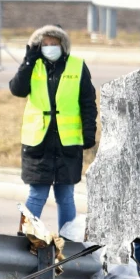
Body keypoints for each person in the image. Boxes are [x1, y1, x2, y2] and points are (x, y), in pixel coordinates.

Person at [9, 25, 97, 234]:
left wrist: (89, 131)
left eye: (54, 43)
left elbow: (88, 102)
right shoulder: (33, 65)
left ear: (62, 45)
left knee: (65, 196)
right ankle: (26, 238)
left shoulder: (77, 66)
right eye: (45, 44)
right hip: (38, 143)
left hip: (67, 143)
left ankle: (69, 239)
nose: (49, 47)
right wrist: (28, 60)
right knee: (37, 194)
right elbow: (17, 89)